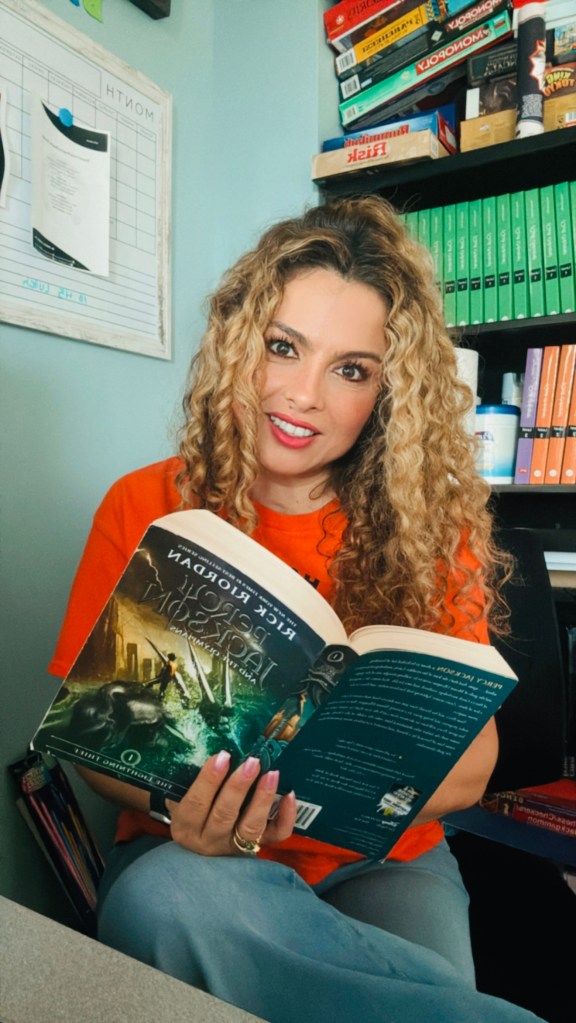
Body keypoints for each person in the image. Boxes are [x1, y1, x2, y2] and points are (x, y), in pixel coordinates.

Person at [48, 196, 545, 1023]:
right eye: (284, 347)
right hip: (195, 858)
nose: (304, 394)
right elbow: (93, 748)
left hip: (382, 860)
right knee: (163, 903)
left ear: (388, 393)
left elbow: (474, 763)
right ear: (240, 342)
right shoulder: (144, 505)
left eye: (352, 370)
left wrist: (346, 797)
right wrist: (180, 807)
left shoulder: (431, 527)